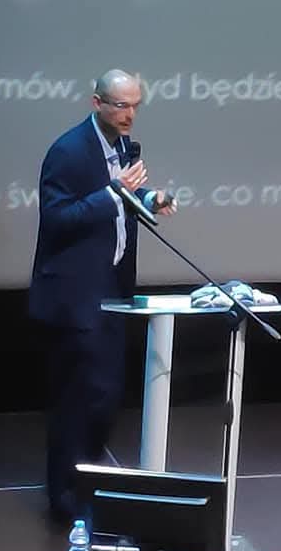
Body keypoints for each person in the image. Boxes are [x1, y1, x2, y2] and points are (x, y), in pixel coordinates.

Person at [28, 69, 176, 524]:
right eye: (121, 105)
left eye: (135, 105)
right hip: (75, 295)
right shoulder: (69, 151)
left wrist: (148, 199)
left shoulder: (123, 146)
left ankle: (87, 485)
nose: (130, 115)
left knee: (105, 396)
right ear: (97, 103)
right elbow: (58, 217)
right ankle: (64, 499)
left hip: (112, 289)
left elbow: (122, 196)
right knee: (77, 400)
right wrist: (116, 193)